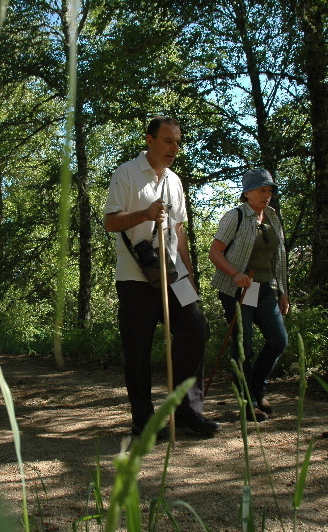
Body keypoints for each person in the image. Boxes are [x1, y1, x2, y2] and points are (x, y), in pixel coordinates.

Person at [103, 116, 219, 438]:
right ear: (150, 140)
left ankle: (186, 412)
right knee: (137, 349)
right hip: (135, 276)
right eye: (168, 141)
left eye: (178, 142)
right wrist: (145, 213)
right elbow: (110, 222)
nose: (174, 148)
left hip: (174, 273)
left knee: (196, 330)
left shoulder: (174, 180)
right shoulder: (126, 174)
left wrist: (189, 273)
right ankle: (144, 420)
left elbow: (179, 230)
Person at [208, 168, 289, 422]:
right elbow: (215, 252)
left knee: (278, 340)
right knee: (244, 346)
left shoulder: (273, 217)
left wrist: (284, 292)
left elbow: (280, 256)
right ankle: (247, 402)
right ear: (247, 193)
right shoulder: (236, 217)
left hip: (264, 289)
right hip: (237, 289)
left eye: (270, 190)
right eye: (261, 190)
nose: (267, 195)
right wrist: (235, 274)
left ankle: (257, 389)